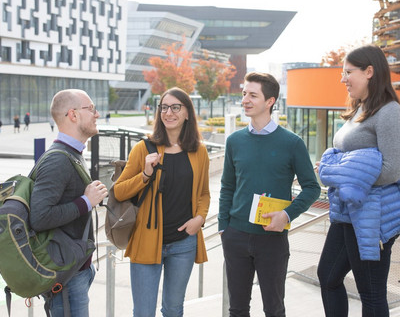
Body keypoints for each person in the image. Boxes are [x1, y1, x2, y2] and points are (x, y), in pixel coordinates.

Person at [218, 72, 320, 317]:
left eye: (252, 95)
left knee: (274, 309)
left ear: (270, 101)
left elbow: (312, 188)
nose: (245, 99)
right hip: (236, 237)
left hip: (272, 240)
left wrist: (286, 215)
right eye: (244, 93)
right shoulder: (234, 141)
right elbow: (227, 187)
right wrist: (224, 227)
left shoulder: (292, 143)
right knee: (237, 309)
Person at [317, 44, 400, 317]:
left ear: (369, 72)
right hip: (346, 212)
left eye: (347, 72)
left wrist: (339, 172)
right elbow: (349, 157)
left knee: (371, 293)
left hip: (370, 216)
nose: (343, 79)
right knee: (327, 276)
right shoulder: (359, 110)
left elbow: (392, 169)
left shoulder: (389, 112)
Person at [114, 87, 210, 317]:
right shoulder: (143, 148)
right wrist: (145, 174)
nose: (169, 113)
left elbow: (204, 193)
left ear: (187, 113)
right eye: (164, 107)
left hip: (183, 244)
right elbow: (118, 192)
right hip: (147, 240)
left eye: (176, 107)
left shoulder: (199, 151)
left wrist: (200, 218)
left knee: (174, 310)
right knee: (144, 312)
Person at [30, 89, 108, 317]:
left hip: (75, 272)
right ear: (72, 115)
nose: (97, 114)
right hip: (66, 279)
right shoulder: (57, 159)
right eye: (91, 108)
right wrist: (86, 202)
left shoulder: (71, 154)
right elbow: (40, 216)